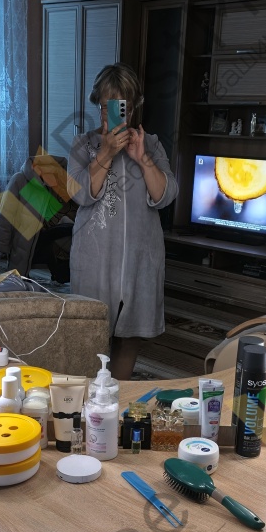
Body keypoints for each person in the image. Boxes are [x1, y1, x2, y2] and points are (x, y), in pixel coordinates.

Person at [67, 63, 178, 380]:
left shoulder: (151, 145)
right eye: (106, 107)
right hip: (95, 259)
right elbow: (78, 193)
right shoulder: (83, 145)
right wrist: (105, 153)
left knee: (130, 335)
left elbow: (166, 194)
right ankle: (92, 397)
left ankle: (119, 394)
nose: (111, 115)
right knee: (92, 334)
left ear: (134, 106)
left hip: (140, 258)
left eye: (121, 107)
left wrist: (142, 159)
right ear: (98, 105)